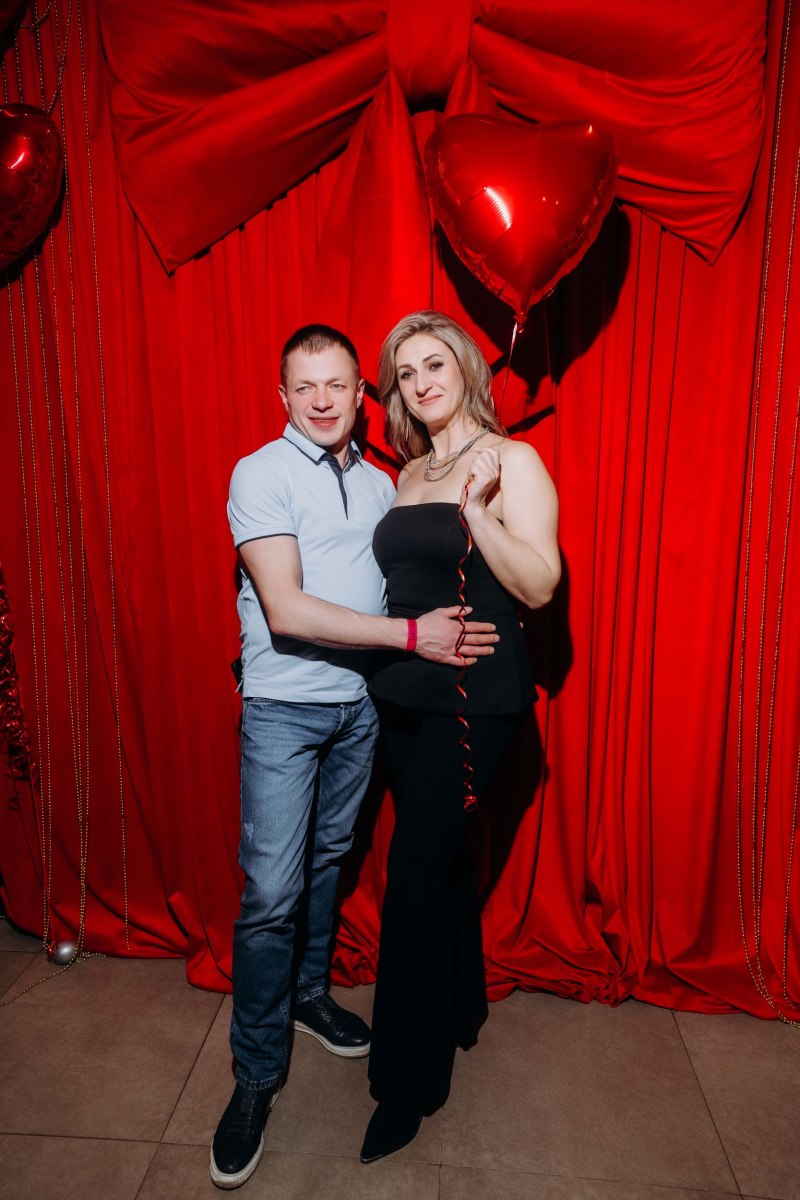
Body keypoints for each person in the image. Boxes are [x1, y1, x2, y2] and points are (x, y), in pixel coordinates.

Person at [211, 324, 498, 1189]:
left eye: (338, 384)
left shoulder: (382, 484)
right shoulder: (260, 474)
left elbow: (425, 570)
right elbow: (288, 610)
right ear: (283, 396)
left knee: (330, 861)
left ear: (362, 396)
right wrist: (413, 637)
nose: (323, 400)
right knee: (272, 891)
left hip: (365, 708)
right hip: (284, 709)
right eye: (305, 387)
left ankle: (307, 995)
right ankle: (255, 1076)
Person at [360, 311, 561, 1163]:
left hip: (474, 699)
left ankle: (405, 1085)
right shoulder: (409, 473)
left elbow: (541, 585)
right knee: (442, 868)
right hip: (404, 692)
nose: (421, 383)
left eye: (434, 364)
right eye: (405, 373)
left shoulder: (513, 460)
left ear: (467, 369)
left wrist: (477, 512)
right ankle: (461, 1007)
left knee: (414, 876)